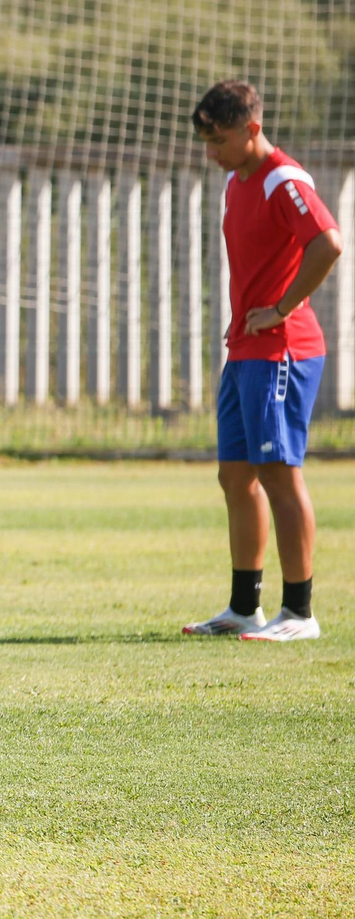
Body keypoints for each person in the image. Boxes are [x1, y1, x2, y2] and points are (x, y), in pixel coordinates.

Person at [184, 80, 342, 641]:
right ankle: (243, 607)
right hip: (244, 350)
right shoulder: (235, 180)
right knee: (234, 477)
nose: (211, 152)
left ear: (252, 129)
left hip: (283, 350)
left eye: (219, 139)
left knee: (279, 473)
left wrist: (281, 307)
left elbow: (328, 241)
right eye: (205, 141)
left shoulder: (284, 178)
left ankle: (299, 612)